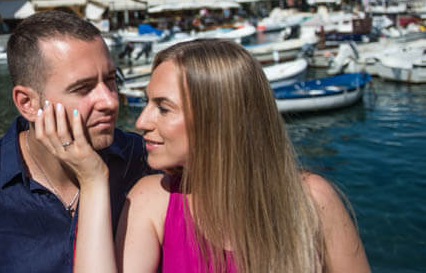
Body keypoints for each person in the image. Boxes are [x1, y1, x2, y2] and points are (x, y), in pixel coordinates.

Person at [36, 38, 370, 273]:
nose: (141, 122)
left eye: (163, 108)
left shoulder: (314, 201)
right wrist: (93, 181)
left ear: (219, 120)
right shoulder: (153, 202)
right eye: (147, 103)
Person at [0, 10, 149, 272]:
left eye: (110, 81)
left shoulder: (141, 160)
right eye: (83, 89)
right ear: (27, 104)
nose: (109, 101)